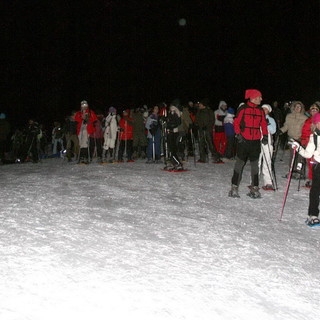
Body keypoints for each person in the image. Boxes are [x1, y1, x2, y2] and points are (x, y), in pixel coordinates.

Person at [229, 89, 268, 198]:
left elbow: (263, 124)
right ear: (253, 97)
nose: (261, 99)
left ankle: (255, 188)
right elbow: (236, 122)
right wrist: (238, 134)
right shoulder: (243, 109)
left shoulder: (260, 110)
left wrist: (264, 135)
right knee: (239, 164)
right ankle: (234, 187)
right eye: (259, 97)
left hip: (255, 142)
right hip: (244, 140)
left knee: (255, 166)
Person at [290, 112, 320, 226]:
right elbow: (308, 154)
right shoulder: (314, 137)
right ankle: (313, 214)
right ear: (316, 124)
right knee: (315, 190)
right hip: (318, 166)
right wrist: (298, 148)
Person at [279, 101, 308, 178]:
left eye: (299, 107)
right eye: (296, 107)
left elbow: (306, 129)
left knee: (300, 157)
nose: (298, 108)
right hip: (291, 138)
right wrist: (281, 130)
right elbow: (286, 126)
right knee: (292, 156)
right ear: (293, 107)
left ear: (302, 108)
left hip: (300, 139)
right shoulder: (289, 116)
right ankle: (291, 171)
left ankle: (299, 172)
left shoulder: (304, 118)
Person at [194, 99, 223, 163]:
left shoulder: (209, 111)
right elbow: (197, 120)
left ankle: (216, 157)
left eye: (200, 104)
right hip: (201, 130)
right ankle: (202, 158)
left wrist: (207, 127)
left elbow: (212, 120)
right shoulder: (199, 111)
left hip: (208, 130)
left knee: (210, 143)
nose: (199, 105)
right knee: (201, 144)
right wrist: (196, 124)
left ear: (204, 105)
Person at [300, 102, 320, 187]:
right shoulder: (307, 121)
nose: (314, 111)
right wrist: (303, 141)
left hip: (317, 144)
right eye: (312, 110)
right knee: (310, 163)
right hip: (309, 143)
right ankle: (311, 179)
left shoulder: (318, 120)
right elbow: (304, 132)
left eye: (316, 110)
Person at [259, 104, 277, 190]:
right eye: (262, 109)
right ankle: (253, 181)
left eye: (265, 109)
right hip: (257, 140)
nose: (263, 110)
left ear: (268, 111)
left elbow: (273, 130)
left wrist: (267, 124)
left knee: (267, 161)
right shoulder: (257, 118)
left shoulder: (271, 119)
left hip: (268, 141)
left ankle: (268, 182)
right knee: (256, 161)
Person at [165, 104, 184, 170]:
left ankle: (178, 163)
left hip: (173, 132)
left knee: (172, 149)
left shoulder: (176, 114)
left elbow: (178, 122)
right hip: (170, 132)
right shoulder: (170, 114)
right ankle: (173, 163)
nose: (171, 109)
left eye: (173, 108)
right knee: (170, 149)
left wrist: (170, 125)